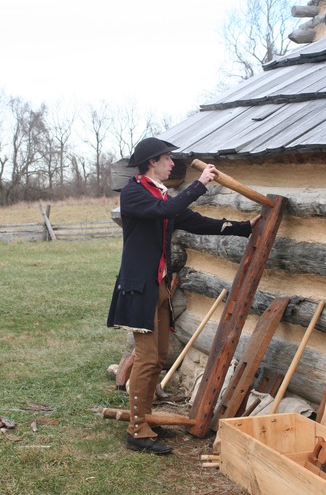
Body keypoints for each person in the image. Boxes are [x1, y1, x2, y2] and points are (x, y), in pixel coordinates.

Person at [107, 137, 261, 455]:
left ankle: (145, 418)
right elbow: (171, 208)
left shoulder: (160, 196)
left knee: (159, 355)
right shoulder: (134, 193)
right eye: (167, 159)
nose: (172, 164)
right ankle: (137, 429)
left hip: (158, 287)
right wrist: (200, 184)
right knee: (148, 359)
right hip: (139, 289)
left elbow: (194, 221)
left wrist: (243, 227)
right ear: (152, 162)